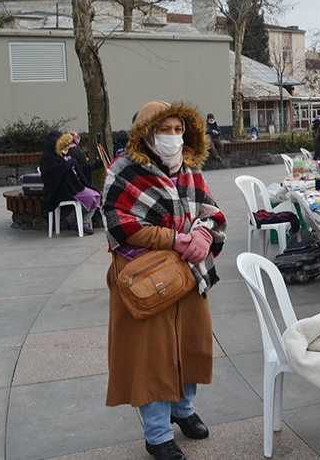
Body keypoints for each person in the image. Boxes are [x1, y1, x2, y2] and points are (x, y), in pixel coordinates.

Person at [102, 101, 226, 460]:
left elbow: (212, 211)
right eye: (164, 130)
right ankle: (156, 435)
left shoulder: (188, 170)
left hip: (188, 274)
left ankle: (183, 411)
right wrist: (173, 239)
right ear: (146, 133)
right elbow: (119, 224)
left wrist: (203, 232)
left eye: (178, 130)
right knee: (151, 358)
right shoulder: (123, 172)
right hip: (146, 278)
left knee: (190, 346)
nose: (172, 137)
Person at [41, 131, 100, 235]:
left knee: (96, 195)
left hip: (72, 188)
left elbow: (80, 170)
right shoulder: (48, 159)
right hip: (59, 192)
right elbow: (55, 175)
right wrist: (69, 163)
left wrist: (95, 165)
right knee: (94, 196)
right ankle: (80, 222)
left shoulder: (63, 155)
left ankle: (75, 220)